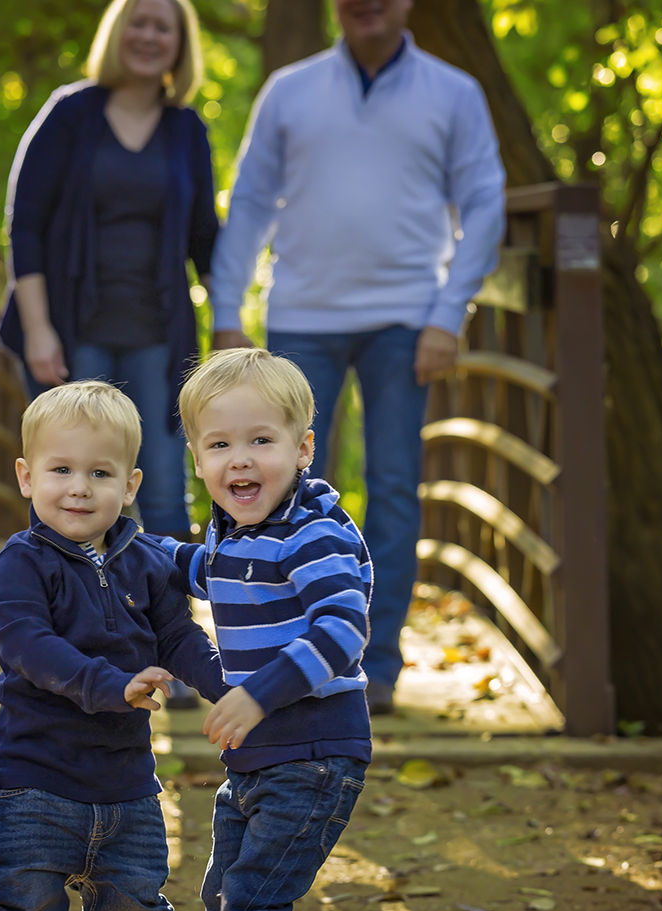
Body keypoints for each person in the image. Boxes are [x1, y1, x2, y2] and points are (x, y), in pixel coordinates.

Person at [208, 0, 506, 715]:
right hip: (302, 317)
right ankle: (284, 659)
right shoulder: (290, 89)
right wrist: (224, 311)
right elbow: (248, 202)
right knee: (283, 493)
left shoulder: (453, 92)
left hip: (407, 321)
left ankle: (374, 666)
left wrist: (448, 311)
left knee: (395, 489)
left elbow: (485, 203)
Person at [0, 381, 230, 911]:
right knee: (23, 904)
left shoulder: (147, 561)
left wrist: (229, 688)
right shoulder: (21, 562)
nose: (79, 486)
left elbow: (178, 636)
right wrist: (111, 684)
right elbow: (29, 647)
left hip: (126, 782)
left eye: (100, 472)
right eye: (61, 469)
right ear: (26, 477)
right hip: (37, 777)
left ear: (129, 486)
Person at [158, 349, 372, 911]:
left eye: (260, 440)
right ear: (198, 461)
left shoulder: (313, 534)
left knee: (251, 899)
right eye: (219, 444)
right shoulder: (233, 534)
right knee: (228, 898)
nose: (240, 458)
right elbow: (200, 570)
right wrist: (132, 547)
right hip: (255, 762)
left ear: (303, 449)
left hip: (315, 755)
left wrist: (258, 693)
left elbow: (342, 628)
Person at [0, 0, 216, 542]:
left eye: (162, 27)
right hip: (72, 333)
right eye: (138, 23)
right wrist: (39, 328)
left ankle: (169, 625)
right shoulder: (69, 112)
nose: (148, 36)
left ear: (180, 44)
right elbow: (25, 226)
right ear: (117, 32)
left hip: (158, 336)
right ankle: (64, 622)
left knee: (163, 485)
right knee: (71, 490)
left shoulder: (186, 130)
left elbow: (205, 238)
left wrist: (232, 328)